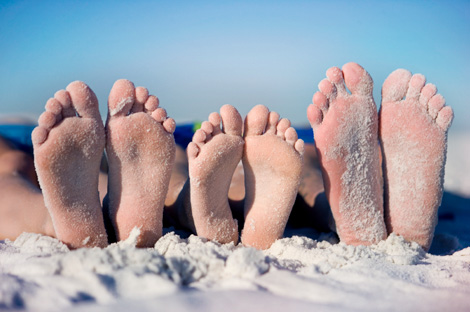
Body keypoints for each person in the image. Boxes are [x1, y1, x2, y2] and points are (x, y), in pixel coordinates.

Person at [0, 63, 453, 251]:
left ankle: (74, 218)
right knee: (302, 160)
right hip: (180, 138)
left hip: (24, 146)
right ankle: (338, 207)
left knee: (9, 170)